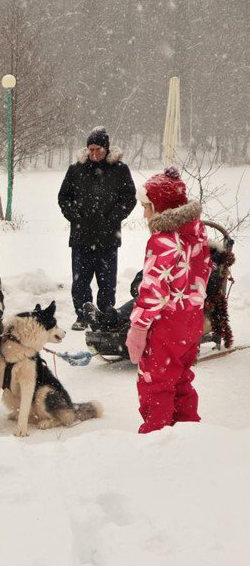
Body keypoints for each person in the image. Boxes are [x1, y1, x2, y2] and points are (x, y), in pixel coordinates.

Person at [125, 168, 211, 434]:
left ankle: (156, 436)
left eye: (146, 207)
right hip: (191, 321)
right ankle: (188, 432)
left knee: (156, 382)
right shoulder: (196, 235)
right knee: (181, 379)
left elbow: (154, 291)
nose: (144, 214)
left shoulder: (163, 240)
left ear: (160, 207)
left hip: (166, 324)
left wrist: (138, 327)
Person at [57, 126, 136, 330]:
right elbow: (64, 197)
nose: (93, 154)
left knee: (107, 281)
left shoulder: (119, 170)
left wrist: (114, 217)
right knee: (80, 281)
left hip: (108, 237)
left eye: (98, 149)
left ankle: (105, 315)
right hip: (81, 236)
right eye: (90, 149)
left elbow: (129, 198)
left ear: (106, 148)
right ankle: (83, 315)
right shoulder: (76, 170)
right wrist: (75, 216)